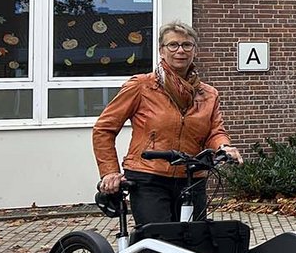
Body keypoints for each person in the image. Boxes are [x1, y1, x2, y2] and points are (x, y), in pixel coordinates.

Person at [93, 21, 242, 226]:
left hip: (192, 178)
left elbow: (214, 132)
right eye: (173, 45)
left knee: (195, 241)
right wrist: (109, 171)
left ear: (194, 51)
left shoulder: (208, 94)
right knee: (160, 241)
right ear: (162, 51)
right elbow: (104, 129)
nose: (180, 50)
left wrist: (224, 147)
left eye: (186, 45)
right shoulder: (141, 86)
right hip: (149, 177)